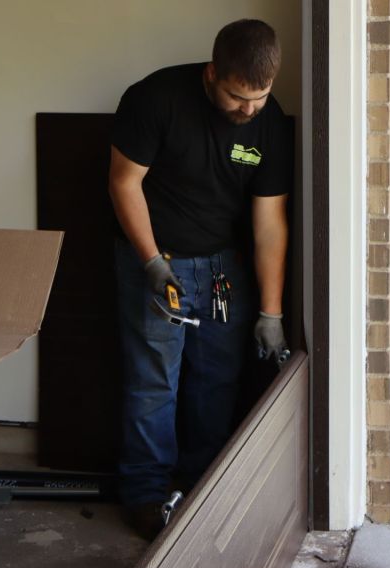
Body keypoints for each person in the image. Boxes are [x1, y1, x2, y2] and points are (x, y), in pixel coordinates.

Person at [108, 18, 292, 540]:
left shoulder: (269, 121)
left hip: (221, 269)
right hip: (155, 256)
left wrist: (271, 312)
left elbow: (270, 223)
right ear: (213, 74)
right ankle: (146, 497)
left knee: (216, 380)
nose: (248, 110)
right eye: (238, 97)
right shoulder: (154, 98)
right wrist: (151, 264)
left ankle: (201, 492)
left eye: (259, 97)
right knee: (153, 382)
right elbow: (124, 183)